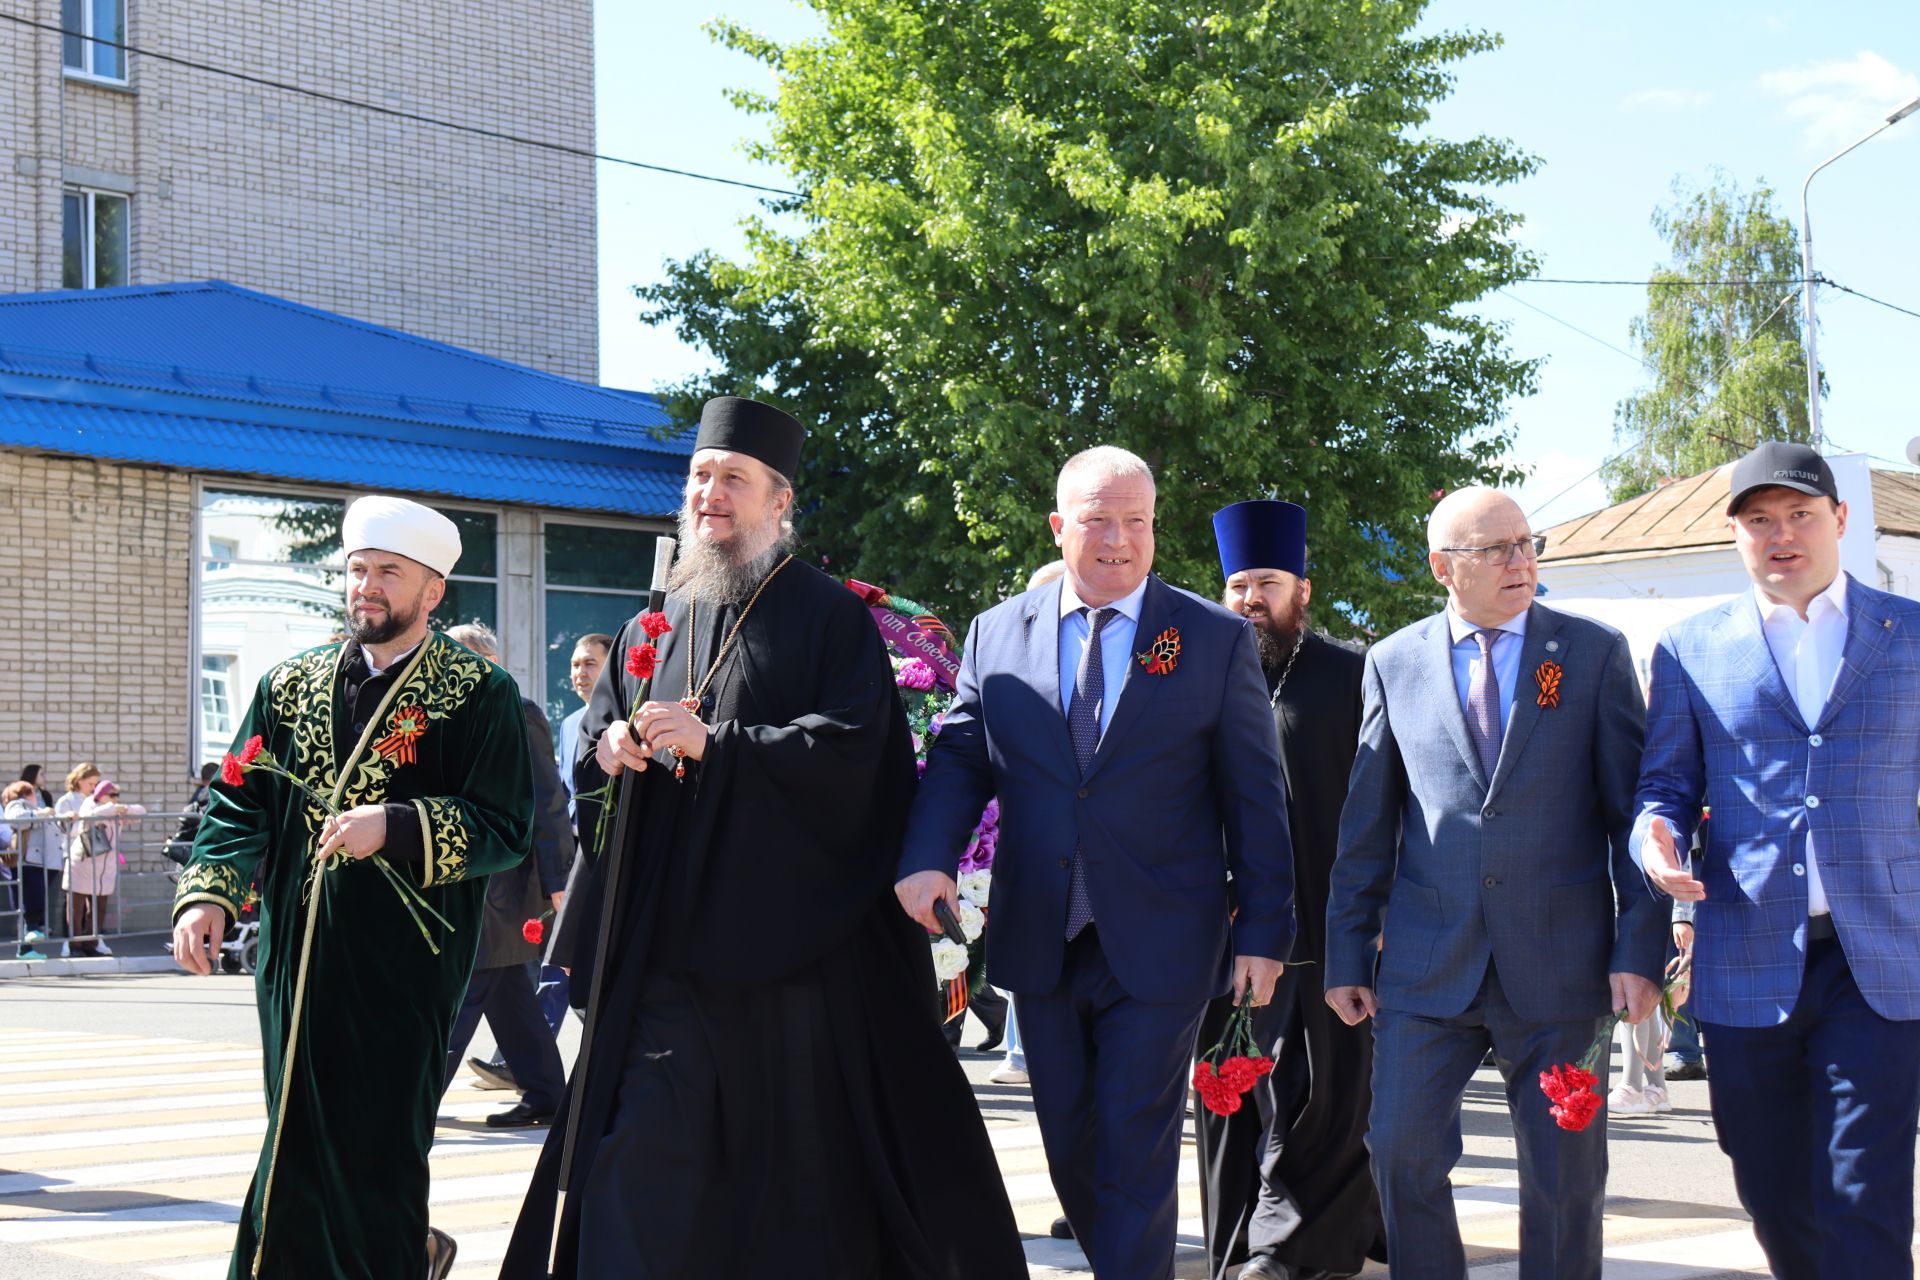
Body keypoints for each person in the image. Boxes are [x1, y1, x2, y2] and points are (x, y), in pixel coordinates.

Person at [503, 396, 1025, 1280]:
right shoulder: (651, 624)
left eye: (733, 480)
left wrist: (723, 747)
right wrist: (615, 748)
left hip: (793, 965)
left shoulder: (827, 618)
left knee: (789, 1188)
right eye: (701, 476)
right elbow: (594, 756)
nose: (711, 492)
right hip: (664, 952)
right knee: (638, 1155)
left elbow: (860, 760)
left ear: (778, 503)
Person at [899, 446, 1295, 1280]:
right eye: (1097, 520)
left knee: (1132, 1146)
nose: (1119, 540)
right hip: (1042, 936)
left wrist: (1264, 930)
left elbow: (1255, 800)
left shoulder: (1212, 640)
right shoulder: (997, 632)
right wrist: (929, 856)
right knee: (1071, 1147)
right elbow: (965, 755)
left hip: (1164, 940)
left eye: (1137, 522)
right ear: (1058, 525)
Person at [170, 493, 534, 1280]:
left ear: (432, 591)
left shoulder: (479, 695)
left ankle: (395, 1256)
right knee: (295, 1131)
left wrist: (397, 825)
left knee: (377, 1146)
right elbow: (239, 798)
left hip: (403, 966)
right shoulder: (287, 684)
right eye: (358, 570)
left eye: (388, 574)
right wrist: (210, 891)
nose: (366, 587)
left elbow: (505, 826)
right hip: (293, 963)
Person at [1325, 486, 1666, 1280]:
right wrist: (1346, 953)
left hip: (1561, 963)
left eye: (1526, 543)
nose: (1521, 562)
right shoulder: (1393, 661)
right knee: (1401, 1151)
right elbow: (1366, 824)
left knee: (1564, 1175)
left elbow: (1633, 815)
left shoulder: (1589, 654)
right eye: (1496, 550)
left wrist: (1638, 949)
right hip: (1425, 963)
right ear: (1444, 568)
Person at [1632, 442, 1920, 1279]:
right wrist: (1655, 838)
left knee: (1863, 1195)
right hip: (1746, 956)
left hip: (1880, 959)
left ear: (1838, 520)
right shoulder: (1689, 647)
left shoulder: (1909, 635)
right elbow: (1665, 787)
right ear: (1735, 534)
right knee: (1770, 1188)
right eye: (1759, 520)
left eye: (1799, 515)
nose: (1781, 535)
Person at [1197, 500, 1382, 1280]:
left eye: (1266, 582)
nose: (1249, 598)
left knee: (1321, 1096)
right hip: (1224, 925)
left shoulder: (1350, 673)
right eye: (1237, 582)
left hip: (1324, 927)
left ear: (1302, 588)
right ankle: (1236, 1246)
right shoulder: (1197, 673)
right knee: (1228, 1094)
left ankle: (1287, 1252)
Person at [438, 622, 572, 1127]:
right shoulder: (448, 718)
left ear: (485, 663)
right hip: (460, 879)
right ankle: (546, 1097)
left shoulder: (520, 712)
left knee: (462, 991)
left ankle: (413, 1099)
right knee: (511, 999)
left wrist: (558, 880)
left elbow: (547, 800)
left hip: (504, 883)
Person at [69, 778, 145, 955]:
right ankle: (75, 944)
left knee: (99, 908)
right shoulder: (90, 804)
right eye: (112, 795)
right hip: (83, 864)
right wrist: (112, 808)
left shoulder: (116, 811)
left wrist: (126, 809)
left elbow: (141, 812)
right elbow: (89, 817)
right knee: (77, 907)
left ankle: (91, 943)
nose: (116, 799)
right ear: (101, 795)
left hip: (105, 868)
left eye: (117, 795)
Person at [7, 777, 59, 957]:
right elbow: (15, 819)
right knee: (30, 901)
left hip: (41, 862)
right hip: (29, 862)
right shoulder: (18, 804)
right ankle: (27, 941)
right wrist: (42, 814)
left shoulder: (34, 809)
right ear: (25, 794)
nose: (36, 795)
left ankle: (26, 948)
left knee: (32, 900)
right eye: (33, 792)